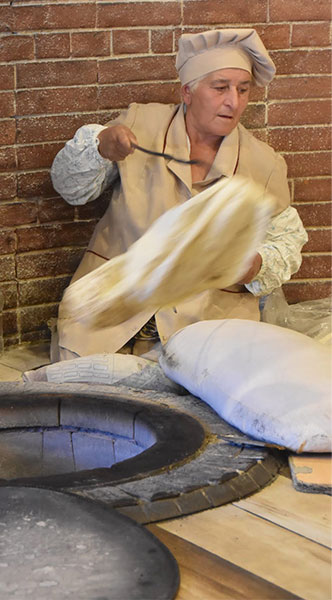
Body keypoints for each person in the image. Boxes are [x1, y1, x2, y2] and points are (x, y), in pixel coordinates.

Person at [50, 28, 307, 361]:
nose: (234, 101)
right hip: (110, 315)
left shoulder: (263, 163)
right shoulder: (140, 126)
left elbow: (286, 243)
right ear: (188, 92)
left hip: (207, 328)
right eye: (220, 88)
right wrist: (100, 148)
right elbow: (69, 188)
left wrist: (250, 265)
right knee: (91, 398)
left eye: (243, 90)